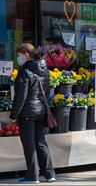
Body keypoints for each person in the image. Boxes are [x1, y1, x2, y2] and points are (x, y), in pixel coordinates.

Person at [9, 43, 56, 184]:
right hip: (41, 111)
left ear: (27, 55)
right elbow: (46, 93)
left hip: (28, 113)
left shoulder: (25, 72)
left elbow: (21, 97)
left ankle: (32, 176)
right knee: (40, 142)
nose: (19, 58)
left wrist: (14, 115)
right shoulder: (45, 70)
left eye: (20, 55)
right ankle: (49, 174)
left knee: (29, 144)